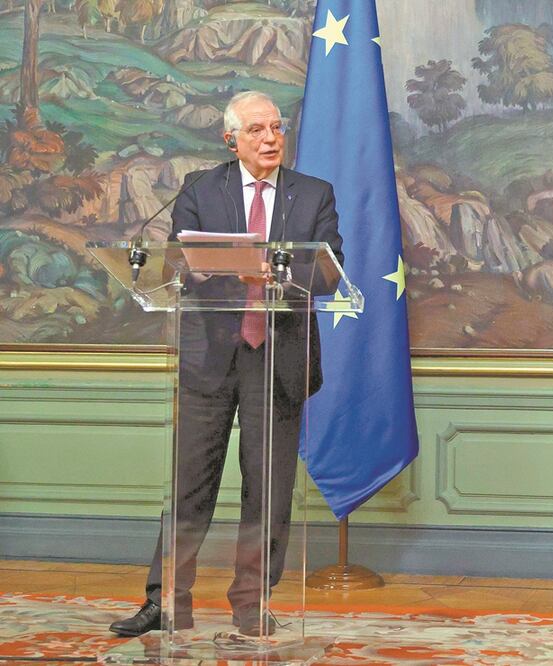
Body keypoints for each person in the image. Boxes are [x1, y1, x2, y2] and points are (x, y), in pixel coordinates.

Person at [109, 90, 344, 638]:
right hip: (210, 357)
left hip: (278, 357)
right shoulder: (198, 189)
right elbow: (178, 264)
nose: (270, 139)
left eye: (277, 128)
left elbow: (330, 270)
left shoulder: (312, 194)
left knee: (268, 490)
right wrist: (230, 272)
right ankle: (166, 601)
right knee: (190, 486)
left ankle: (250, 603)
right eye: (257, 130)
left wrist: (275, 273)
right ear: (230, 139)